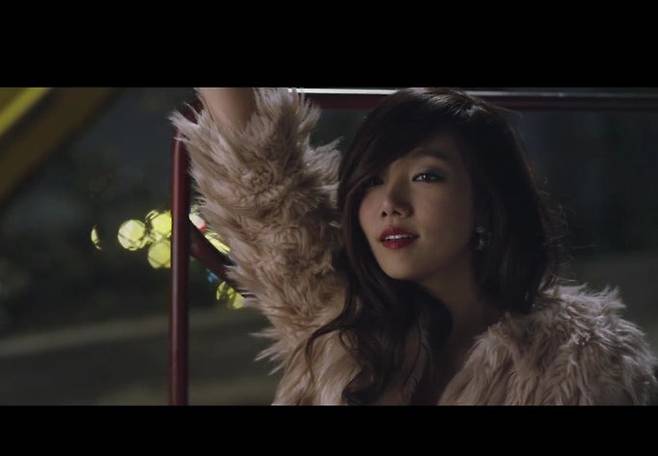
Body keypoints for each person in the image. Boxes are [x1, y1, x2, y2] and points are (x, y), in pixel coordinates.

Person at [171, 87, 658, 405]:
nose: (391, 204)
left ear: (486, 201)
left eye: (426, 176)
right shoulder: (336, 315)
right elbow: (259, 175)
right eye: (372, 181)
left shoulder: (583, 361)